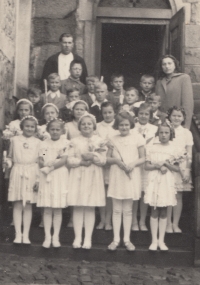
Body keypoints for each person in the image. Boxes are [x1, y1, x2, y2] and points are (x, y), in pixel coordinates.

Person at [107, 112, 145, 251]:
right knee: (116, 209)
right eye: (121, 125)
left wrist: (133, 164)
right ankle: (116, 239)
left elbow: (143, 158)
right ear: (117, 126)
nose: (124, 127)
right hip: (117, 174)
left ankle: (127, 239)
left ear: (131, 125)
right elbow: (107, 159)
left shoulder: (137, 138)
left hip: (131, 174)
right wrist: (117, 161)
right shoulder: (112, 139)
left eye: (126, 125)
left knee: (128, 210)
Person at [67, 113, 106, 249]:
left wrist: (93, 156)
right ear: (79, 127)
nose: (86, 126)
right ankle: (77, 237)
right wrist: (81, 162)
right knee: (78, 206)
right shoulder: (74, 141)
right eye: (83, 124)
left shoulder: (100, 141)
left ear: (94, 126)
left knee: (90, 206)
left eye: (89, 124)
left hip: (93, 175)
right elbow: (69, 159)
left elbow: (103, 160)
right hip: (78, 174)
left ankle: (88, 238)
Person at [144, 121, 180, 251]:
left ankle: (161, 241)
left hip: (166, 181)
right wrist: (157, 166)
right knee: (154, 210)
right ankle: (154, 241)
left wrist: (166, 164)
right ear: (157, 134)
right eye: (161, 132)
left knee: (164, 211)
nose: (163, 135)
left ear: (171, 134)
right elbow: (146, 166)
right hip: (155, 180)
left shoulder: (174, 148)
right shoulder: (152, 147)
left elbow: (176, 168)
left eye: (166, 132)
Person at [4, 116, 40, 244]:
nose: (29, 129)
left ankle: (26, 235)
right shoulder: (14, 140)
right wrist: (7, 163)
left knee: (28, 205)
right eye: (27, 126)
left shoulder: (39, 143)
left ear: (35, 128)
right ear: (22, 127)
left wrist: (38, 179)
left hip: (32, 171)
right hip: (18, 171)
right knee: (18, 204)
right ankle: (18, 235)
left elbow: (42, 159)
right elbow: (9, 156)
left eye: (32, 127)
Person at [37, 118, 70, 248]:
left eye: (57, 129)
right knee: (47, 208)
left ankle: (55, 236)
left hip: (59, 174)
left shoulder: (65, 143)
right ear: (48, 130)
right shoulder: (44, 144)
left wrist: (51, 166)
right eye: (52, 129)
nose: (55, 132)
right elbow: (41, 158)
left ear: (62, 130)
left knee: (57, 208)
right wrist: (45, 163)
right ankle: (47, 236)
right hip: (46, 175)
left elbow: (63, 160)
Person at [166, 106, 193, 233]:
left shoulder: (186, 133)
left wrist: (187, 169)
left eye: (179, 116)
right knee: (167, 194)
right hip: (168, 166)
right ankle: (167, 224)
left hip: (181, 167)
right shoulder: (166, 130)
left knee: (178, 196)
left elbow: (189, 153)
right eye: (174, 115)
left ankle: (175, 223)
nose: (176, 118)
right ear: (169, 116)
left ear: (183, 118)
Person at [131, 103, 157, 231]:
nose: (143, 116)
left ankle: (142, 221)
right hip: (136, 162)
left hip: (147, 163)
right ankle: (134, 221)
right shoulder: (132, 128)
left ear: (150, 116)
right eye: (141, 113)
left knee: (145, 193)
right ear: (137, 115)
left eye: (146, 114)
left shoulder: (154, 129)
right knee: (135, 193)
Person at [96, 102, 118, 230]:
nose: (107, 115)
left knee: (110, 193)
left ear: (114, 112)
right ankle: (102, 220)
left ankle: (108, 220)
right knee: (101, 192)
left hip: (112, 163)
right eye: (105, 112)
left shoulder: (117, 126)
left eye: (110, 112)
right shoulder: (97, 127)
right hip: (100, 163)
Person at [155, 55, 194, 129]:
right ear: (161, 67)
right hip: (163, 124)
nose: (167, 66)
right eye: (164, 64)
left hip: (178, 122)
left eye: (170, 63)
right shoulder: (159, 82)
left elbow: (188, 105)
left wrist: (186, 126)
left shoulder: (184, 78)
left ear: (175, 65)